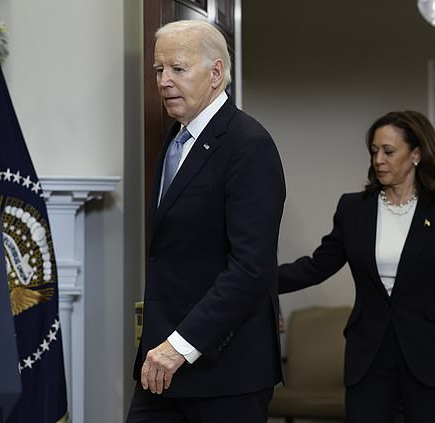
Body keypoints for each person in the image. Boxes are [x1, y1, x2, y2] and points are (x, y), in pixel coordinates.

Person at [278, 111, 435, 423]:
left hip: (434, 358)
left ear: (416, 154)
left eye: (389, 151)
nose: (379, 159)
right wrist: (252, 279)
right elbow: (316, 266)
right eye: (374, 151)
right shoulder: (354, 208)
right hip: (370, 357)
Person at [126, 20, 286, 423]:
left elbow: (250, 269)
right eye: (159, 70)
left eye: (177, 69)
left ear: (216, 73)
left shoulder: (249, 145)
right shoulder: (174, 138)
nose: (164, 81)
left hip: (226, 372)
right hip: (162, 366)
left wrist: (179, 346)